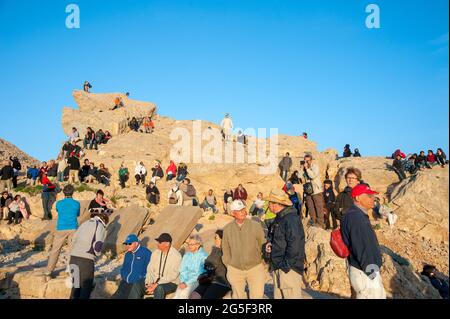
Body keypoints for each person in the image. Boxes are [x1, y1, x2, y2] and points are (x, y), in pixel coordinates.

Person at [341, 184, 386, 299]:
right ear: (358, 198)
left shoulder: (356, 214)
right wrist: (372, 272)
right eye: (369, 196)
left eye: (373, 196)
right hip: (365, 271)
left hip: (364, 269)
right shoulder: (356, 217)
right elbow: (361, 246)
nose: (372, 199)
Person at [264, 189, 305, 299]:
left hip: (288, 269)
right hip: (279, 265)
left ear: (276, 204)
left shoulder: (291, 219)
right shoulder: (280, 217)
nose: (268, 205)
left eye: (269, 203)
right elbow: (279, 239)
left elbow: (295, 244)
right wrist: (269, 245)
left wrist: (286, 265)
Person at [222, 200, 266, 299]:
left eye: (243, 209)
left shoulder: (256, 226)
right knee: (237, 297)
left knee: (257, 297)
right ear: (233, 213)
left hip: (255, 268)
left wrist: (262, 261)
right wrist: (229, 264)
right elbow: (225, 249)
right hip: (235, 269)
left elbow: (262, 243)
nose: (242, 212)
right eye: (239, 210)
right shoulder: (227, 229)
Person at [69, 208, 111, 299]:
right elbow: (97, 245)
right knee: (85, 288)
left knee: (75, 287)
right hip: (86, 260)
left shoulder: (84, 223)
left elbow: (73, 239)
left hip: (73, 258)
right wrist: (97, 254)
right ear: (104, 220)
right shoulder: (100, 226)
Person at [46, 185, 80, 277]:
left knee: (55, 250)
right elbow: (77, 214)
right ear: (72, 193)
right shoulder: (77, 203)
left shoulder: (59, 203)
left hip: (61, 228)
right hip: (73, 228)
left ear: (64, 193)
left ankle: (49, 270)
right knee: (72, 250)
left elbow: (58, 210)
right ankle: (70, 269)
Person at [190, 230, 231, 299]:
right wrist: (216, 248)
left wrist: (217, 248)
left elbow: (212, 263)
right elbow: (207, 263)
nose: (214, 240)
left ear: (222, 239)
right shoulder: (215, 249)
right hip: (210, 280)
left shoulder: (226, 252)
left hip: (221, 282)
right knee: (194, 295)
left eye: (216, 238)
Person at [113, 234, 152, 299]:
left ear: (136, 243)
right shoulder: (128, 254)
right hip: (125, 281)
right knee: (115, 297)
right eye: (126, 244)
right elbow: (124, 268)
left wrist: (141, 277)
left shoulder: (146, 252)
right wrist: (124, 276)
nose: (127, 246)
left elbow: (152, 269)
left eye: (130, 243)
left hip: (137, 283)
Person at [144, 233, 182, 299]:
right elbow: (150, 269)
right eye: (158, 242)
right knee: (137, 284)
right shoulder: (155, 253)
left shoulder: (177, 256)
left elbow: (173, 275)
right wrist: (148, 283)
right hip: (155, 281)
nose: (157, 244)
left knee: (159, 288)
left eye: (160, 242)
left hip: (171, 283)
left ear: (167, 244)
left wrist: (157, 284)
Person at [302, 154, 324, 227]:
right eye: (305, 161)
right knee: (311, 207)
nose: (306, 162)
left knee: (318, 207)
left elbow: (313, 176)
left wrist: (307, 169)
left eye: (308, 161)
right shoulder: (305, 168)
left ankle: (320, 223)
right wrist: (302, 169)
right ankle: (314, 222)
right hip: (308, 191)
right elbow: (300, 176)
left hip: (316, 190)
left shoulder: (315, 167)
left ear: (311, 160)